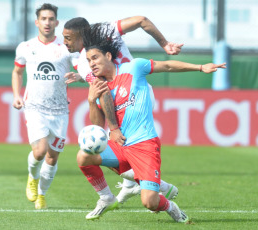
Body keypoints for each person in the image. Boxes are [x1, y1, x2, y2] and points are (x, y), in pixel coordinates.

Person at [77, 24, 226, 221]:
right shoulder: (99, 88)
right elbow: (97, 128)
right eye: (88, 61)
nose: (91, 64)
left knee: (150, 202)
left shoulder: (134, 68)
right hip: (120, 145)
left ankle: (170, 206)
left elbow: (168, 65)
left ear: (109, 57)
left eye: (95, 58)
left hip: (144, 144)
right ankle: (106, 198)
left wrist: (199, 67)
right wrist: (91, 101)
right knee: (83, 157)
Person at [63, 17, 181, 204]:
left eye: (68, 38)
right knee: (114, 146)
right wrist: (165, 44)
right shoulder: (88, 54)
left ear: (81, 36)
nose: (65, 42)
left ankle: (148, 184)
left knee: (115, 143)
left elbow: (104, 93)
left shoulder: (94, 51)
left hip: (130, 93)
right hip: (133, 91)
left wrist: (113, 127)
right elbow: (142, 20)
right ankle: (136, 184)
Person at [11, 3, 78, 209]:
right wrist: (16, 95)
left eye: (51, 19)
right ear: (36, 22)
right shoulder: (26, 47)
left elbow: (82, 67)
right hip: (34, 107)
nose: (47, 22)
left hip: (59, 110)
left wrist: (81, 75)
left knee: (52, 157)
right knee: (39, 151)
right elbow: (17, 72)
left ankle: (41, 194)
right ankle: (32, 178)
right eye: (44, 19)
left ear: (57, 22)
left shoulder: (66, 47)